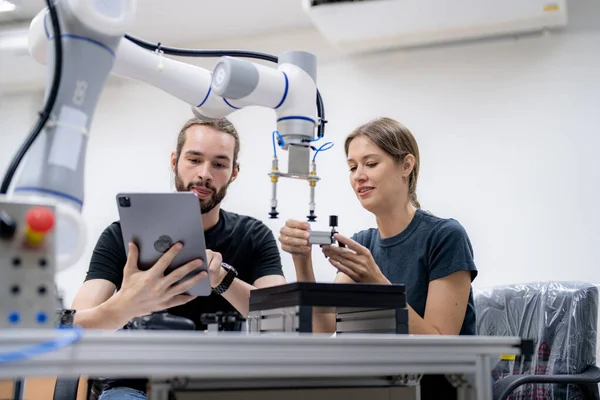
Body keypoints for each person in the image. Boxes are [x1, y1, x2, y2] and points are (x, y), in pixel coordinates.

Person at [71, 117, 287, 400]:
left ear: (234, 172)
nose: (204, 174)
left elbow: (283, 320)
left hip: (219, 387)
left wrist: (224, 281)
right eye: (194, 160)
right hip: (133, 388)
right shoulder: (122, 234)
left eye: (219, 164)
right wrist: (126, 304)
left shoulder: (252, 235)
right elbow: (74, 328)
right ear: (175, 161)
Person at [278, 116, 478, 400]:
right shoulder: (363, 243)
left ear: (406, 166)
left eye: (370, 164)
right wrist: (301, 259)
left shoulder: (445, 236)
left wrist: (381, 287)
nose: (358, 175)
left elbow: (441, 348)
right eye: (352, 167)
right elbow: (321, 329)